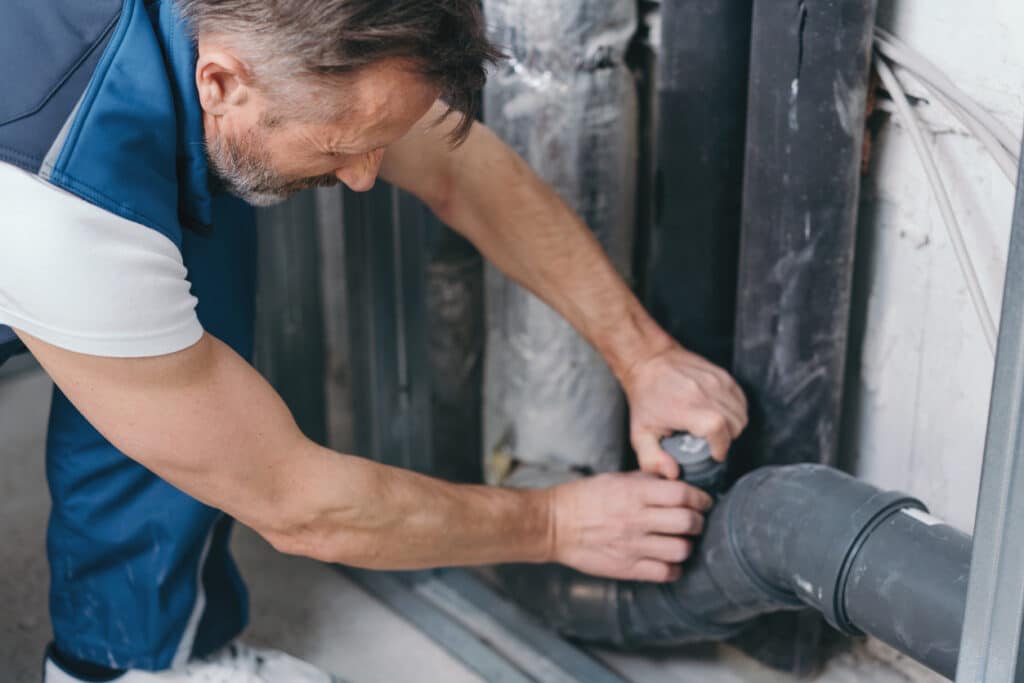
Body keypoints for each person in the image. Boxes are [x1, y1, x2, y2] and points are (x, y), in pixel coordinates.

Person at [0, 1, 748, 681]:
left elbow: (455, 168)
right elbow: (297, 501)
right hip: (27, 190)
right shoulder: (63, 195)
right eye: (341, 149)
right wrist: (555, 524)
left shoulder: (258, 40)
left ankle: (131, 662)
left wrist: (645, 355)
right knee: (161, 349)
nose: (365, 178)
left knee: (179, 291)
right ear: (222, 81)